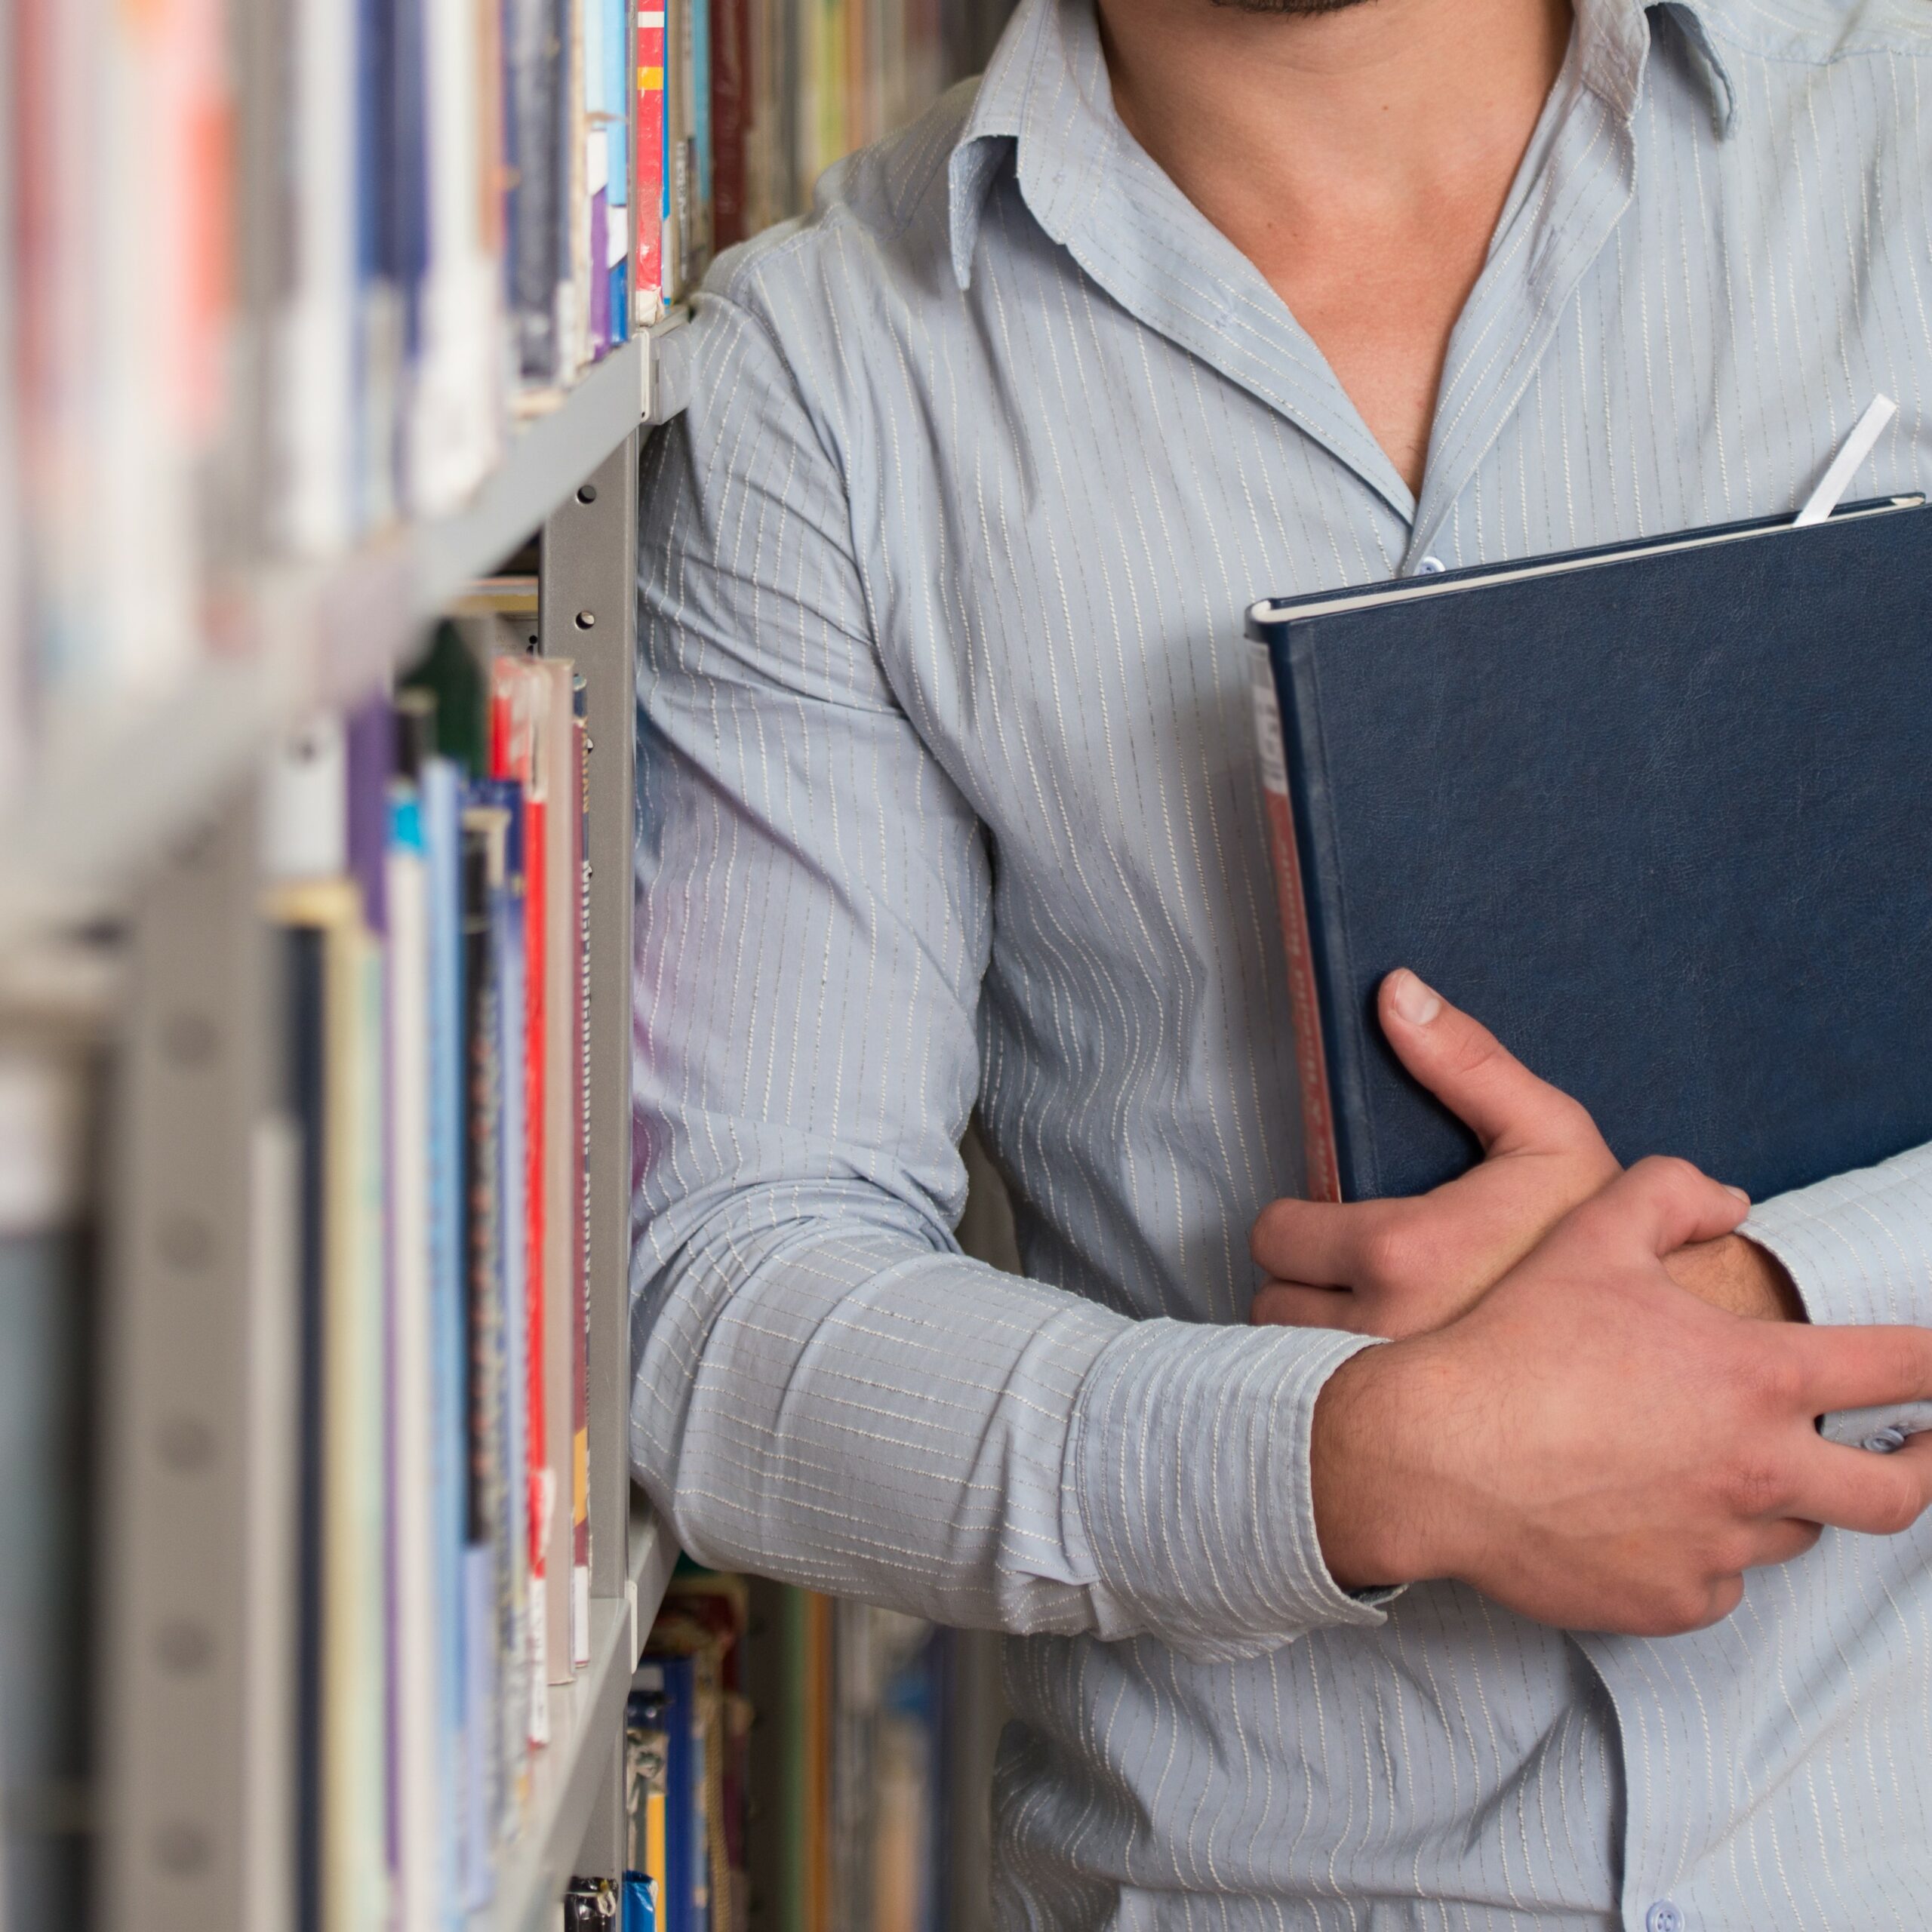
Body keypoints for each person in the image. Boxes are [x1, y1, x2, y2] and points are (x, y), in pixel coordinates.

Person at [629, 0, 1932, 1921]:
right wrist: (1369, 1460)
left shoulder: (1898, 143)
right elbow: (730, 1296)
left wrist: (1765, 1304)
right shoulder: (815, 385)